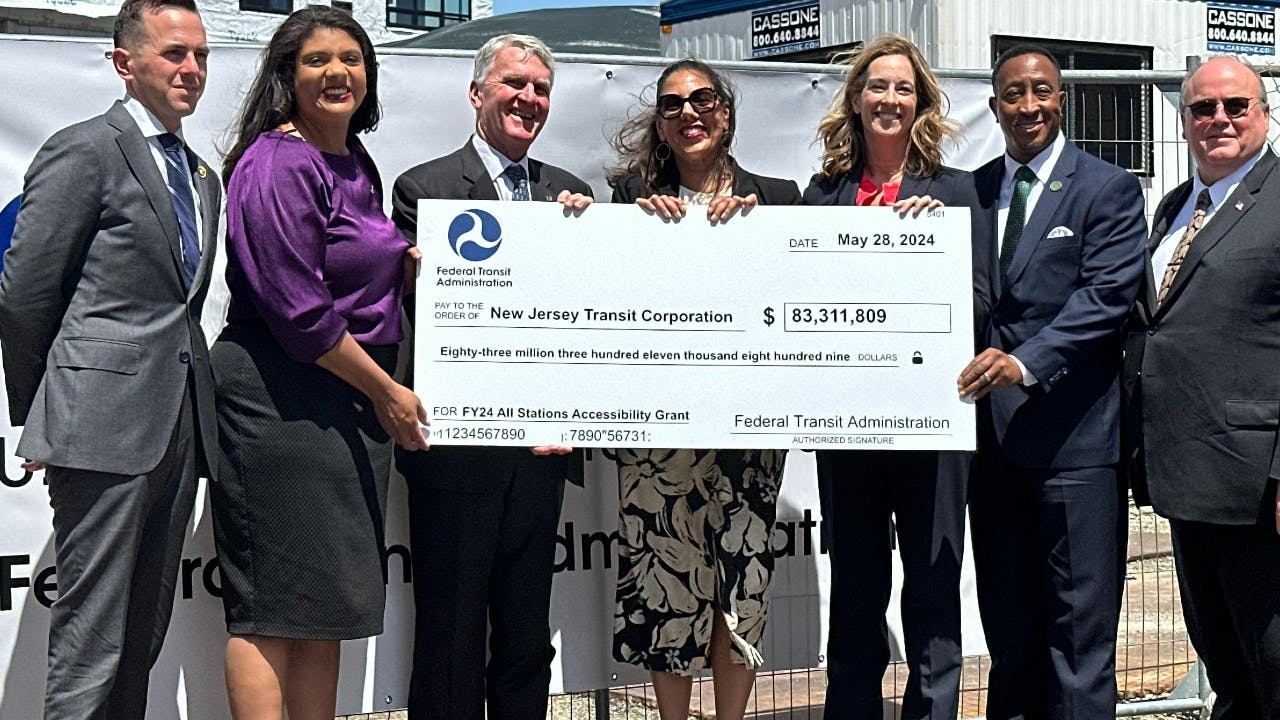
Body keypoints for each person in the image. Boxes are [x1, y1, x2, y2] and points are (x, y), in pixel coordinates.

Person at [0, 0, 217, 716]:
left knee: (142, 634)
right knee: (91, 640)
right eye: (174, 54)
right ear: (125, 64)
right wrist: (45, 409)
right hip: (99, 427)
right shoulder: (84, 148)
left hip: (179, 430)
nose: (191, 69)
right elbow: (25, 292)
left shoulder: (201, 175)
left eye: (201, 56)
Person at [211, 7, 427, 719]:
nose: (338, 72)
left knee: (323, 607)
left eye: (352, 58)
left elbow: (355, 275)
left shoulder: (354, 161)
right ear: (286, 76)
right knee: (271, 610)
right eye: (316, 60)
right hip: (281, 404)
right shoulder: (276, 163)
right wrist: (389, 391)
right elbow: (298, 308)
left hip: (343, 406)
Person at [389, 33, 592, 720]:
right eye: (515, 84)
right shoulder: (427, 190)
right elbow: (420, 316)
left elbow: (584, 319)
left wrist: (590, 240)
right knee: (449, 640)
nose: (528, 99)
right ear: (478, 93)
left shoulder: (572, 197)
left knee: (527, 640)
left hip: (539, 459)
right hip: (456, 456)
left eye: (540, 89)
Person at [605, 58, 800, 720]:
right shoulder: (631, 197)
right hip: (661, 439)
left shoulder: (777, 198)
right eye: (672, 105)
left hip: (751, 433)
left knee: (742, 590)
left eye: (702, 99)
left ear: (727, 112)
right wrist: (632, 226)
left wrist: (758, 236)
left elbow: (799, 303)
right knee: (665, 591)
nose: (688, 113)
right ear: (660, 125)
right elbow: (606, 300)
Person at [957, 45, 1147, 720]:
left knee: (1078, 643)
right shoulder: (970, 192)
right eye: (1013, 94)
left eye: (1041, 91)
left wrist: (1025, 362)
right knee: (1010, 636)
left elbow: (1106, 298)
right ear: (994, 105)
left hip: (1075, 448)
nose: (1028, 106)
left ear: (1061, 99)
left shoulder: (1108, 186)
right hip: (992, 452)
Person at [801, 33, 987, 720]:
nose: (889, 98)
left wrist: (931, 246)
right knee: (855, 588)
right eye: (877, 86)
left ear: (921, 103)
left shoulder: (958, 194)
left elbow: (980, 303)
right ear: (855, 98)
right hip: (849, 429)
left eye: (902, 88)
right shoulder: (821, 196)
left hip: (931, 426)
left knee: (934, 590)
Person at [1123, 56, 1280, 719]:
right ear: (1184, 121)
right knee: (1229, 666)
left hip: (1259, 487)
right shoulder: (1172, 208)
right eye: (1203, 108)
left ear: (1264, 114)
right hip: (1189, 479)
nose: (1219, 118)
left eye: (1235, 106)